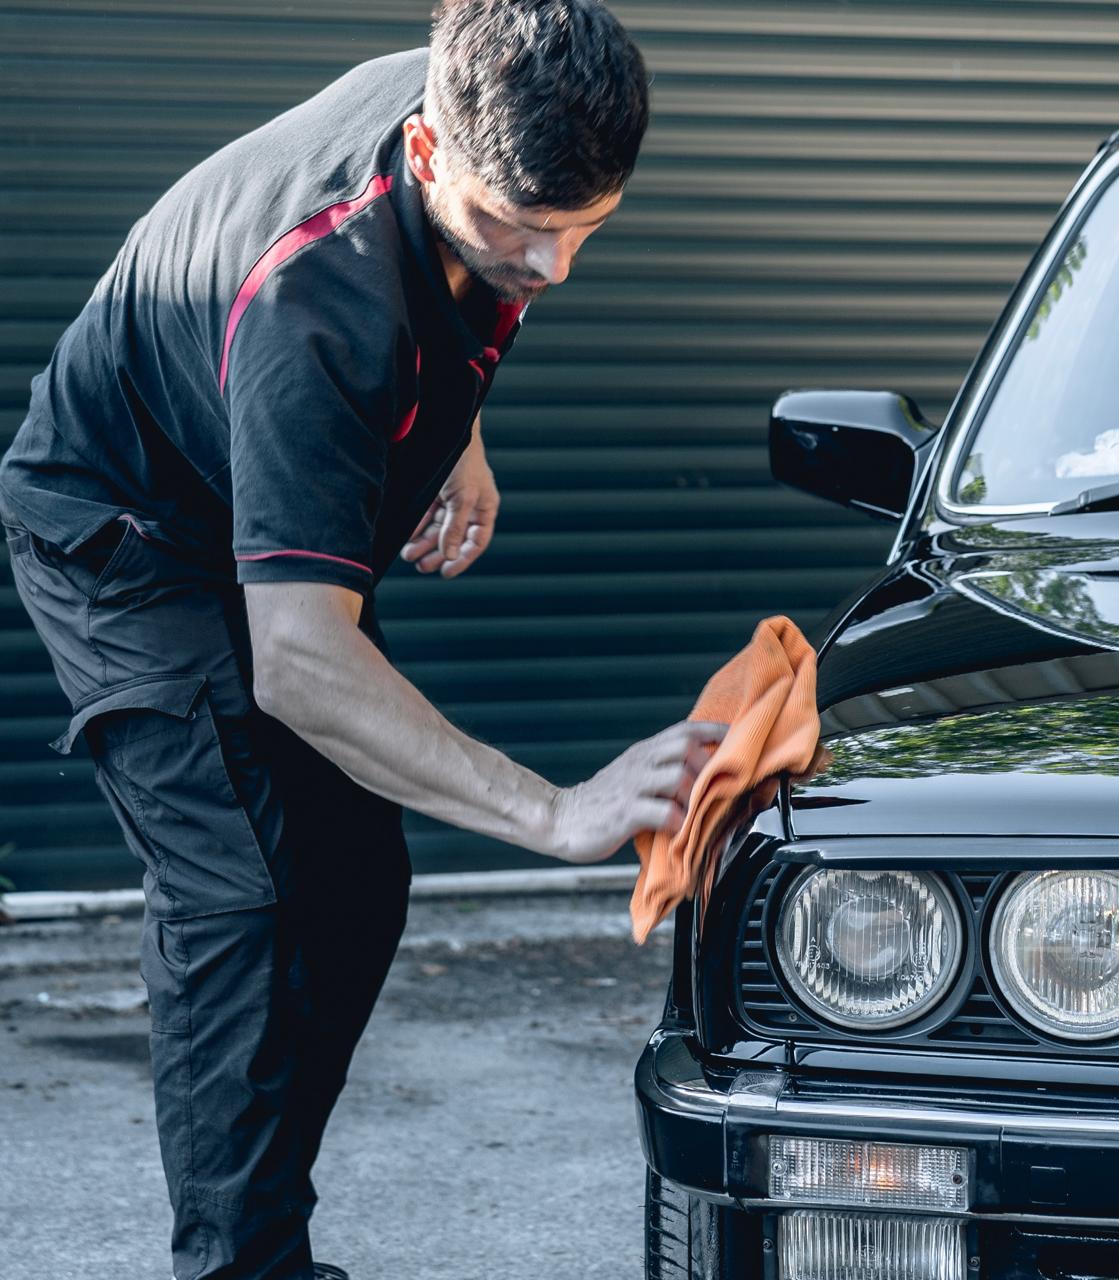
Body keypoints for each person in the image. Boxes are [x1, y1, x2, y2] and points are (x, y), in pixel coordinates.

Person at [0, 3, 725, 1277]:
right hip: (127, 533)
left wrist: (455, 433)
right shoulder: (317, 308)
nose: (554, 267)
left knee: (355, 876)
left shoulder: (478, 103)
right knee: (246, 894)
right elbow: (299, 662)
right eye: (522, 229)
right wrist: (558, 811)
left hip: (247, 468)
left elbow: (455, 281)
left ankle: (267, 1231)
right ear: (429, 151)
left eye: (587, 226)